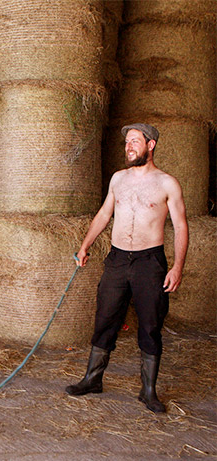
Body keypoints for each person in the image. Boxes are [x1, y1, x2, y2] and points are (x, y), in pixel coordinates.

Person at [66, 123, 188, 413]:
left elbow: (181, 226)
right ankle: (92, 379)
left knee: (150, 323)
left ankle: (148, 392)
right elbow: (104, 214)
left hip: (150, 261)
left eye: (135, 141)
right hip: (118, 259)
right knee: (105, 317)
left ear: (151, 145)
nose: (128, 147)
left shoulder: (167, 183)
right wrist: (84, 246)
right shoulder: (118, 179)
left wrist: (177, 267)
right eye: (127, 142)